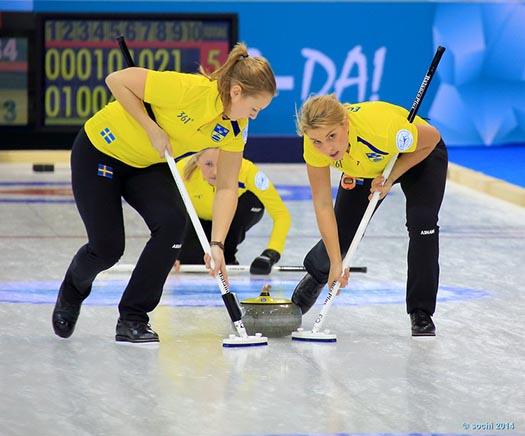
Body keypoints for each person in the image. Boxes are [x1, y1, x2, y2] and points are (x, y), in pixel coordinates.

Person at [52, 43, 276, 343]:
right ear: (236, 92)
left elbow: (225, 187)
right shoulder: (189, 89)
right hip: (101, 152)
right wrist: (150, 127)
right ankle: (72, 291)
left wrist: (218, 244)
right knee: (107, 249)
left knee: (173, 224)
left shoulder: (236, 128)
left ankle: (133, 317)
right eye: (255, 108)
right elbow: (116, 80)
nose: (255, 116)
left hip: (147, 163)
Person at [292, 94, 447, 336]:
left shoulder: (380, 128)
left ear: (345, 123)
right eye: (317, 142)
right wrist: (336, 262)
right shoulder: (313, 145)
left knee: (422, 223)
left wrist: (392, 176)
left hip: (420, 156)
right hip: (368, 167)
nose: (327, 148)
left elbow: (433, 138)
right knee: (342, 234)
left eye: (332, 136)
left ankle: (421, 311)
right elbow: (322, 204)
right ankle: (317, 276)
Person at [174, 148, 291, 274]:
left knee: (252, 200)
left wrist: (271, 253)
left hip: (234, 218)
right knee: (191, 261)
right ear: (197, 160)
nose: (215, 172)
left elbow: (281, 215)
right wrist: (170, 251)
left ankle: (228, 253)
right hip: (198, 221)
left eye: (222, 164)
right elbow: (167, 212)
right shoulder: (180, 170)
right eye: (208, 164)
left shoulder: (247, 170)